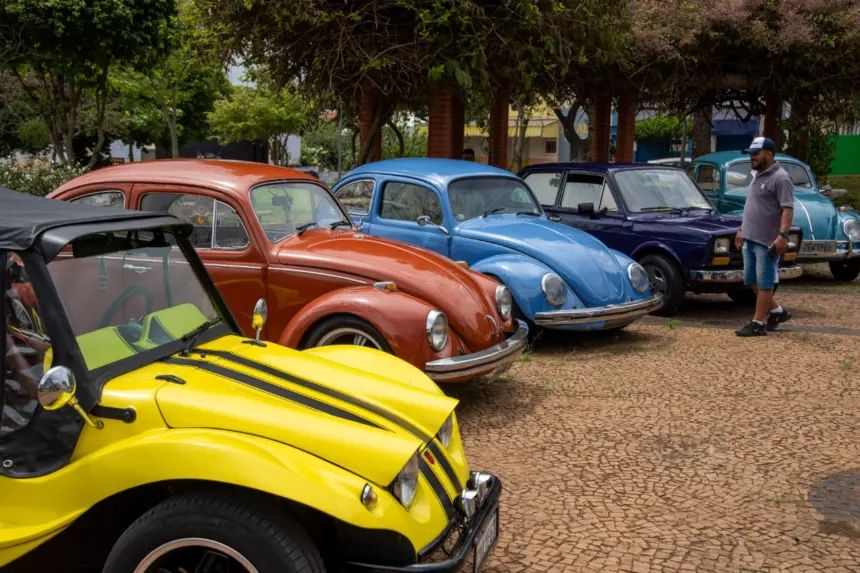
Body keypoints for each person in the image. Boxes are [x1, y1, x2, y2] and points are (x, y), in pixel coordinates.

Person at [735, 136, 794, 337]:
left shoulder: (781, 178)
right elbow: (753, 206)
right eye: (751, 154)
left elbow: (787, 209)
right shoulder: (757, 175)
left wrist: (783, 236)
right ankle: (778, 311)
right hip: (750, 237)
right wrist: (742, 229)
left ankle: (758, 322)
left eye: (756, 153)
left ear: (769, 153)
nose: (752, 157)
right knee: (752, 281)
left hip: (767, 241)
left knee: (765, 282)